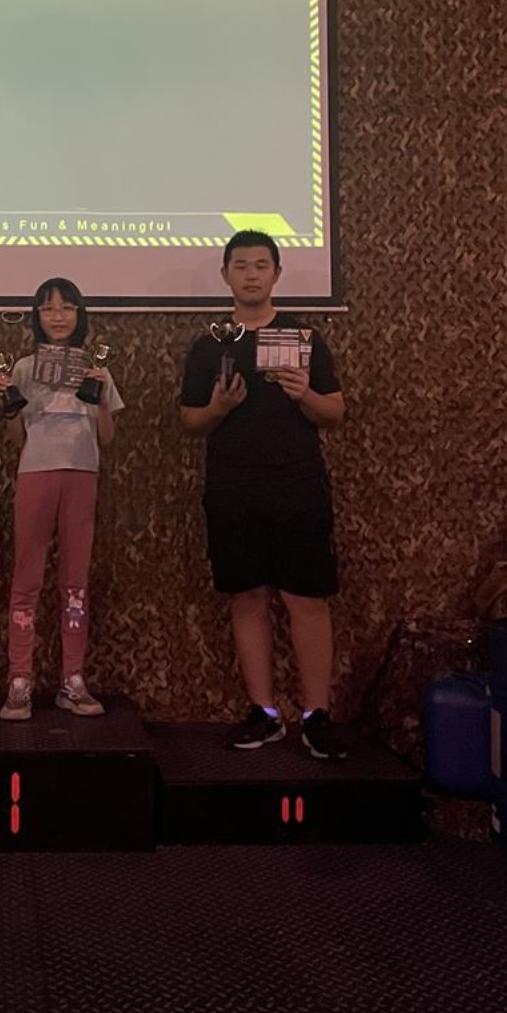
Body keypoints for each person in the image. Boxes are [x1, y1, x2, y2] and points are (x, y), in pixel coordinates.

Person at [179, 231, 348, 759]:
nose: (250, 275)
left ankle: (317, 714)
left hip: (297, 483)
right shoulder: (210, 345)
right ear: (225, 275)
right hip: (232, 486)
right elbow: (190, 421)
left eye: (260, 265)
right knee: (246, 596)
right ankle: (264, 712)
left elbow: (335, 411)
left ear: (276, 273)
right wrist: (219, 408)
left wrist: (305, 394)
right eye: (240, 266)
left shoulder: (304, 339)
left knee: (306, 598)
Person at [0, 279, 124, 722]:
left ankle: (73, 679)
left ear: (80, 314)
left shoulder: (94, 365)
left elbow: (107, 436)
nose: (58, 316)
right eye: (48, 308)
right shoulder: (24, 368)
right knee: (27, 578)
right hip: (35, 473)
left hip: (83, 474)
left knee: (75, 582)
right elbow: (17, 438)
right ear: (37, 316)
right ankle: (19, 681)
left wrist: (99, 395)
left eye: (67, 307)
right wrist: (7, 405)